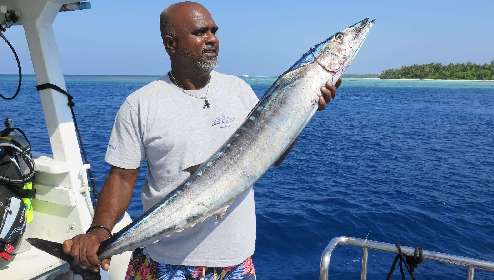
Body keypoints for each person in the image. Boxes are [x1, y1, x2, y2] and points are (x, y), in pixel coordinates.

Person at [63, 2, 340, 279]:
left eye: (214, 31)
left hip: (236, 263)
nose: (212, 39)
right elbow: (122, 177)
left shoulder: (239, 91)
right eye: (200, 32)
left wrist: (305, 110)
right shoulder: (140, 104)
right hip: (165, 263)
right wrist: (100, 231)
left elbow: (272, 153)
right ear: (171, 43)